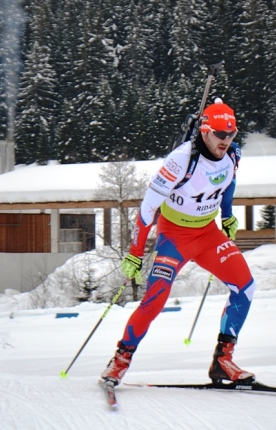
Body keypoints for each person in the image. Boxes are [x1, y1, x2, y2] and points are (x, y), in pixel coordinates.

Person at [101, 98, 256, 386]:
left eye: (231, 134)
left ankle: (223, 360)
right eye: (220, 134)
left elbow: (228, 184)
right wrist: (135, 253)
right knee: (155, 298)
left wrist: (227, 216)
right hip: (174, 236)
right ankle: (120, 360)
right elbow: (147, 209)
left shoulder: (233, 155)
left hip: (208, 234)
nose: (226, 140)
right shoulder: (180, 160)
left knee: (245, 287)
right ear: (206, 131)